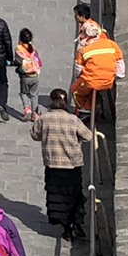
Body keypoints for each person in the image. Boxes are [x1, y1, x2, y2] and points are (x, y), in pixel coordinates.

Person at [30, 87, 92, 240]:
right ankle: (76, 224)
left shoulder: (44, 119)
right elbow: (88, 136)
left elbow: (35, 135)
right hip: (72, 165)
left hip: (53, 164)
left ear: (52, 101)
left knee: (58, 197)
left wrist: (37, 120)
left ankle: (66, 228)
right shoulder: (73, 119)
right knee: (74, 195)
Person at [71, 18, 125, 116]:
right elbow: (120, 63)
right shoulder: (111, 44)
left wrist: (79, 78)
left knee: (75, 90)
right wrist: (117, 76)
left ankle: (87, 109)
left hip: (90, 82)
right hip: (109, 81)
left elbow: (77, 71)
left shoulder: (83, 50)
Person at [15, 28, 42, 120]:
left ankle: (27, 110)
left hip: (25, 76)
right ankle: (35, 113)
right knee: (34, 95)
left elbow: (18, 61)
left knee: (24, 93)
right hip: (35, 75)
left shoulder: (20, 49)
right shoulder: (33, 48)